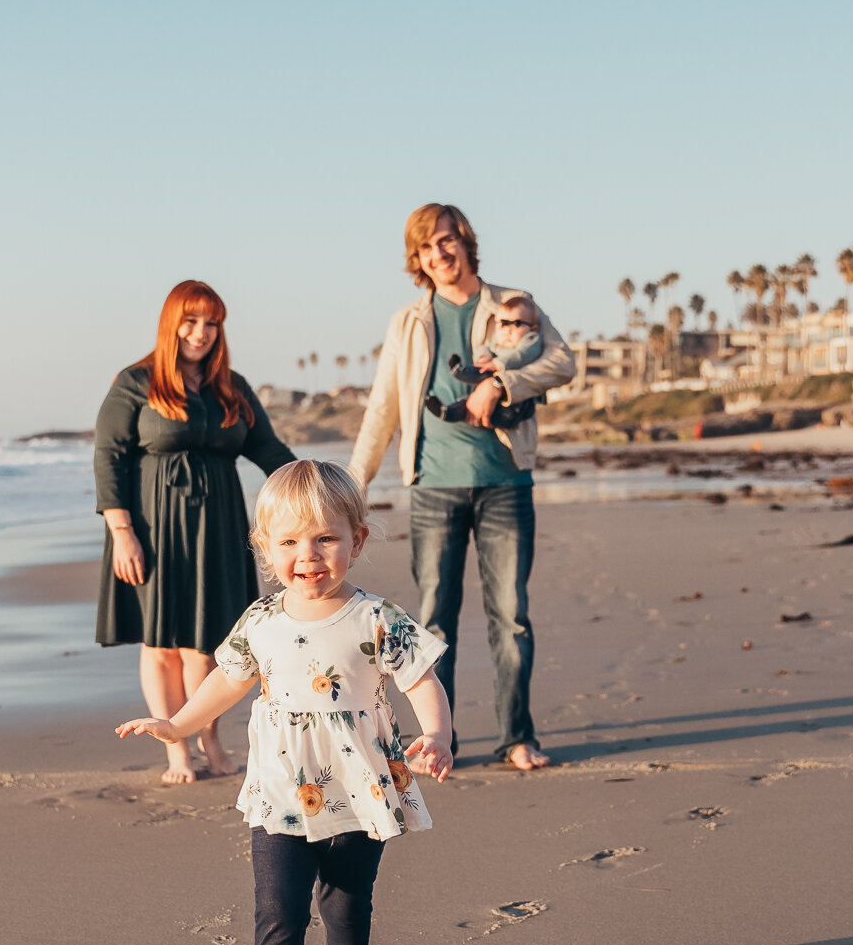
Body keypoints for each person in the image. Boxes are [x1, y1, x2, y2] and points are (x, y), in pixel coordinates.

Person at [117, 460, 453, 945]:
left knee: (347, 901)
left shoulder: (378, 617)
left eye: (326, 538)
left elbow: (423, 681)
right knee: (278, 907)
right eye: (290, 542)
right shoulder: (263, 620)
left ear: (357, 539)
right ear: (265, 547)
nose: (309, 555)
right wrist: (178, 726)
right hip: (281, 789)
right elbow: (226, 681)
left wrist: (437, 732)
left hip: (359, 787)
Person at [349, 203, 576, 771]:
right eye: (427, 248)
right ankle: (435, 743)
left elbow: (563, 362)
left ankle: (518, 738)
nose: (439, 254)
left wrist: (501, 382)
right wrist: (354, 484)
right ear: (418, 259)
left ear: (465, 242)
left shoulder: (511, 304)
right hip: (432, 486)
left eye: (446, 241)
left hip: (504, 480)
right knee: (433, 622)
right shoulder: (407, 322)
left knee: (512, 615)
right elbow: (383, 407)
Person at [95, 280, 297, 783]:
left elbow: (268, 450)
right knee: (162, 643)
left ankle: (211, 739)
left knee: (207, 642)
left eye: (211, 323)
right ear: (171, 323)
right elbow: (109, 455)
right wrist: (121, 530)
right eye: (191, 321)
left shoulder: (232, 386)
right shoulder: (136, 381)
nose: (201, 333)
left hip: (218, 524)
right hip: (152, 525)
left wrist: (313, 486)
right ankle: (176, 751)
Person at [423, 296, 544, 428]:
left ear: (534, 328)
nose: (508, 330)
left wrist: (498, 365)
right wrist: (483, 358)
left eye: (517, 324)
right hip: (489, 388)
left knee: (487, 373)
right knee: (470, 394)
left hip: (514, 407)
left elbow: (522, 355)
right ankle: (447, 410)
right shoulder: (497, 346)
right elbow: (485, 348)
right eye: (503, 324)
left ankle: (460, 372)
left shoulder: (531, 340)